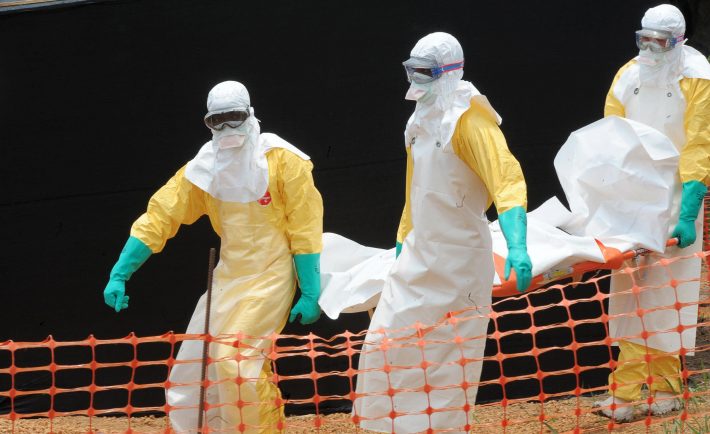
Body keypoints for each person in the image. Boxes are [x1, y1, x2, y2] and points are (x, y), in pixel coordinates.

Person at [102, 80, 324, 432]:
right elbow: (161, 215)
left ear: (250, 114)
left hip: (272, 273)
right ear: (207, 122)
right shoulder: (204, 167)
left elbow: (305, 226)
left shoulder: (283, 161)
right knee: (197, 368)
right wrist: (121, 272)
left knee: (235, 360)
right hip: (229, 276)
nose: (227, 127)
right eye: (217, 120)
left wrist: (310, 290)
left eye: (234, 117)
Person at [353, 32, 532, 433]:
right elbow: (414, 190)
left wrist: (517, 245)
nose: (415, 80)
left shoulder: (471, 121)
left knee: (448, 366)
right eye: (411, 70)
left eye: (425, 72)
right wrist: (402, 241)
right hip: (419, 256)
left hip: (460, 264)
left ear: (449, 72)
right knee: (384, 345)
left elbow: (507, 181)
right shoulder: (418, 122)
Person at [593, 4, 710, 422]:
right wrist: (608, 195)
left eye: (659, 42)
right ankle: (648, 390)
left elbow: (700, 144)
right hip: (633, 197)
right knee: (631, 297)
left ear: (678, 41)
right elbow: (610, 136)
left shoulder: (698, 77)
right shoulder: (628, 75)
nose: (649, 48)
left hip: (677, 197)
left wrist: (689, 209)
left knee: (665, 297)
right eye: (643, 39)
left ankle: (642, 392)